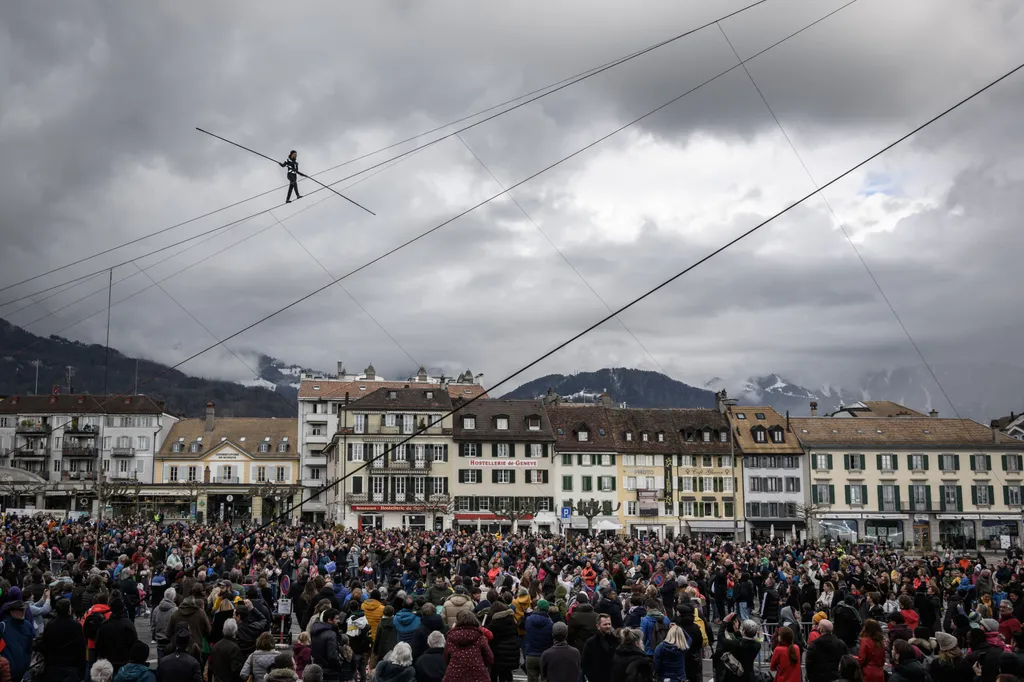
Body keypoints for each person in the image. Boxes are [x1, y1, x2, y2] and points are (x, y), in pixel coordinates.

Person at [39, 598, 87, 682]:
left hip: (53, 665)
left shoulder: (50, 624)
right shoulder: (76, 626)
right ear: (69, 609)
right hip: (71, 665)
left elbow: (44, 644)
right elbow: (81, 647)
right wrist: (82, 668)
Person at [443, 610, 493, 682]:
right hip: (478, 676)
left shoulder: (451, 637)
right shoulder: (480, 637)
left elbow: (446, 658)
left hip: (454, 675)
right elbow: (489, 658)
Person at [95, 598, 139, 676]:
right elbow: (135, 643)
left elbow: (98, 644)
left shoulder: (104, 625)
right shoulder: (128, 624)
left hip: (108, 662)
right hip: (124, 661)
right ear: (122, 608)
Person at [715, 617, 761, 682]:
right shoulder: (757, 645)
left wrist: (724, 622)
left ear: (744, 631)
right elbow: (743, 641)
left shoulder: (736, 644)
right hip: (749, 674)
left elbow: (721, 638)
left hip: (735, 674)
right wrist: (737, 631)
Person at [0, 600, 35, 682]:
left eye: (23, 609)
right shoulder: (3, 626)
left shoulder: (28, 625)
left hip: (23, 672)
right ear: (11, 612)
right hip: (7, 673)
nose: (23, 612)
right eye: (20, 610)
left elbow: (29, 647)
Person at [486, 603, 519, 682]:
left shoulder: (495, 623)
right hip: (511, 651)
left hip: (498, 653)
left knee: (494, 673)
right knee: (507, 674)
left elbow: (488, 634)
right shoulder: (511, 619)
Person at [581, 614, 618, 682]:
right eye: (605, 624)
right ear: (598, 626)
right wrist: (591, 676)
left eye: (609, 624)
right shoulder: (591, 643)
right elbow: (585, 662)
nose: (608, 626)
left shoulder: (616, 640)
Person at [312, 609, 344, 682]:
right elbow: (332, 655)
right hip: (330, 671)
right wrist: (339, 667)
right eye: (336, 619)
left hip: (317, 668)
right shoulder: (331, 634)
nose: (338, 621)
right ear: (329, 620)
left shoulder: (316, 630)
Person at [151, 587, 178, 659]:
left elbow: (153, 625)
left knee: (161, 663)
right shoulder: (175, 610)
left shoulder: (156, 609)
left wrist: (154, 635)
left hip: (159, 639)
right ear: (174, 597)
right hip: (170, 641)